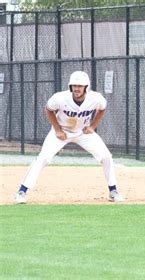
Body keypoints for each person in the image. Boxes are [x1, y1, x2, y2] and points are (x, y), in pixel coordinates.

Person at [14, 71, 125, 204]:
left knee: (106, 156)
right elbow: (48, 109)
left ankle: (113, 190)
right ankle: (22, 191)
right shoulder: (60, 98)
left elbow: (102, 108)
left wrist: (93, 126)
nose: (76, 88)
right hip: (62, 132)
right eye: (74, 85)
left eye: (80, 85)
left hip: (83, 132)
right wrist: (57, 129)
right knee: (43, 158)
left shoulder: (95, 98)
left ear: (86, 87)